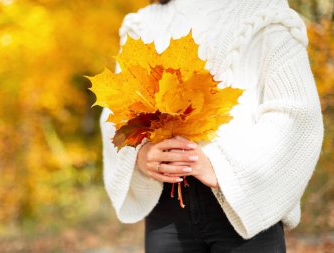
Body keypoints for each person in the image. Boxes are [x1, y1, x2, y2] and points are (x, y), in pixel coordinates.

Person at [99, 0, 324, 252]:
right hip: (167, 210)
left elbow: (296, 114)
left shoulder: (265, 13)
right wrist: (139, 155)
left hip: (243, 207)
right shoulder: (142, 25)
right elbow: (115, 111)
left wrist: (221, 168)